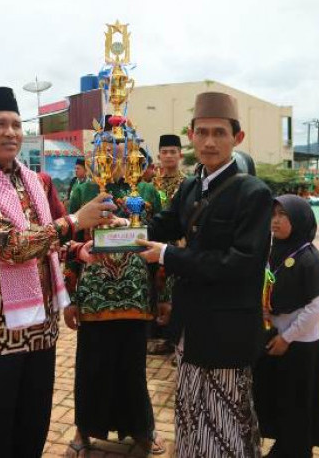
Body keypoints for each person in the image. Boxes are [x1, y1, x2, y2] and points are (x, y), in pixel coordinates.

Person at [0, 87, 114, 458]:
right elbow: (11, 245)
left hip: (40, 328)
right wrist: (73, 222)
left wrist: (77, 249)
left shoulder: (33, 182)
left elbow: (45, 244)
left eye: (16, 124)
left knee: (34, 424)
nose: (11, 132)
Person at [136, 91, 272, 457]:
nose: (210, 141)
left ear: (237, 138)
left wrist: (168, 256)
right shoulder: (192, 186)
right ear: (191, 136)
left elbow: (240, 263)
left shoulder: (253, 193)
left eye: (219, 132)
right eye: (202, 132)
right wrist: (121, 230)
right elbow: (162, 225)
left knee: (226, 418)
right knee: (192, 412)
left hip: (227, 330)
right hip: (190, 325)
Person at [64, 140, 166, 456]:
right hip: (94, 295)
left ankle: (142, 429)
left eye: (122, 152)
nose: (114, 157)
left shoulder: (149, 192)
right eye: (106, 151)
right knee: (91, 366)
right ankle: (83, 429)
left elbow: (163, 240)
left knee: (133, 370)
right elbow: (68, 239)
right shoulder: (83, 191)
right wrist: (70, 297)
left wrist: (163, 294)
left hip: (137, 295)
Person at [253, 194, 319, 457]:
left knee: (298, 404)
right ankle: (284, 445)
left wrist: (287, 338)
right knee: (280, 398)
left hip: (300, 346)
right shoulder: (274, 249)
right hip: (277, 338)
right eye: (273, 214)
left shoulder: (309, 258)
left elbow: (317, 307)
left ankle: (296, 450)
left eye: (283, 215)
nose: (275, 221)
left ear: (299, 220)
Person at [148, 134, 187, 356]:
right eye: (165, 152)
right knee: (155, 289)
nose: (169, 155)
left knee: (175, 293)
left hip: (178, 247)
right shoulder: (150, 184)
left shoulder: (188, 183)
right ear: (159, 155)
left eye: (173, 151)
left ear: (180, 155)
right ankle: (157, 337)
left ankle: (175, 342)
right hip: (153, 243)